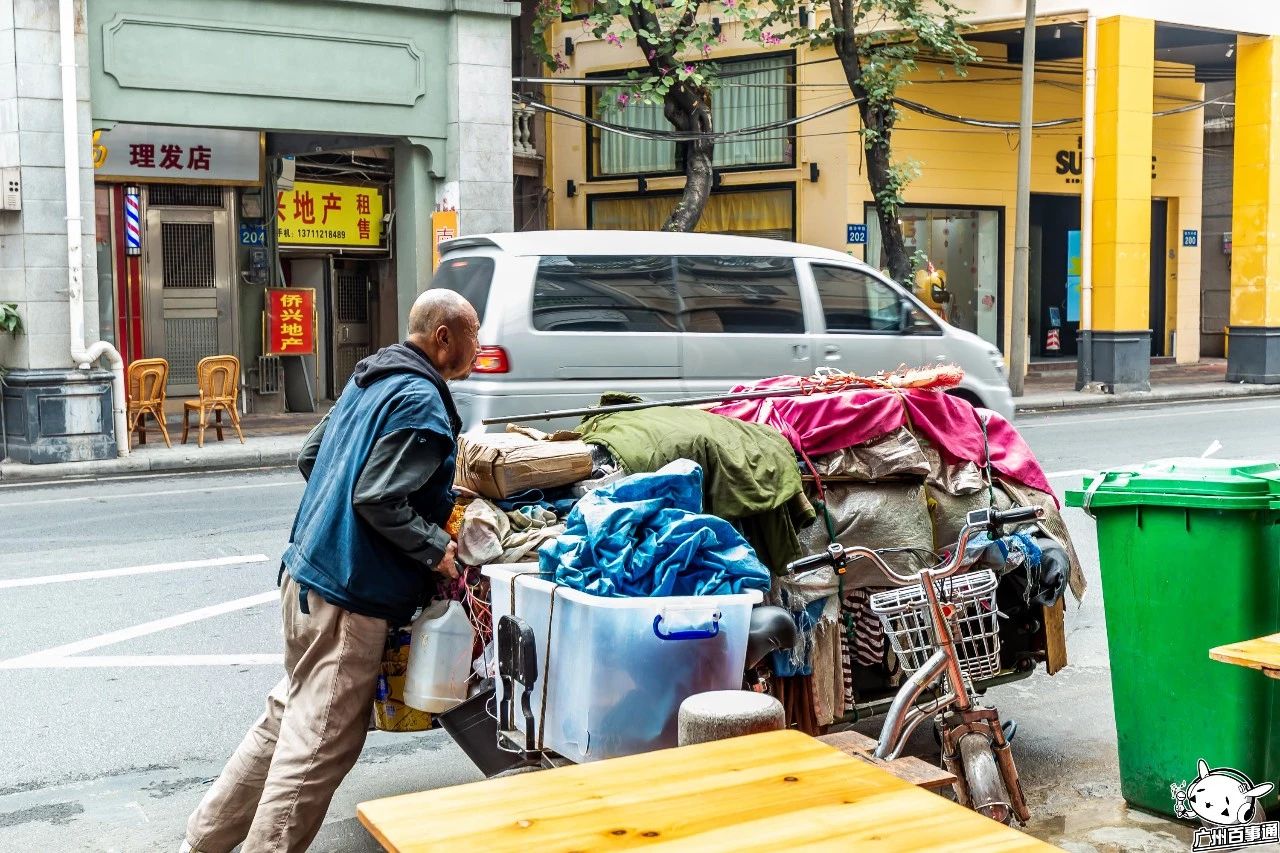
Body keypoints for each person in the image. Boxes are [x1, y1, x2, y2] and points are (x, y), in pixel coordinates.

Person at [181, 289, 480, 853]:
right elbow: (378, 497)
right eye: (475, 334)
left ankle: (202, 843)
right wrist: (435, 548)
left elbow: (312, 458)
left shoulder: (370, 378)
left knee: (286, 720)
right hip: (348, 596)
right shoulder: (421, 401)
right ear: (444, 338)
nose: (480, 346)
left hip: (304, 576)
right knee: (318, 745)